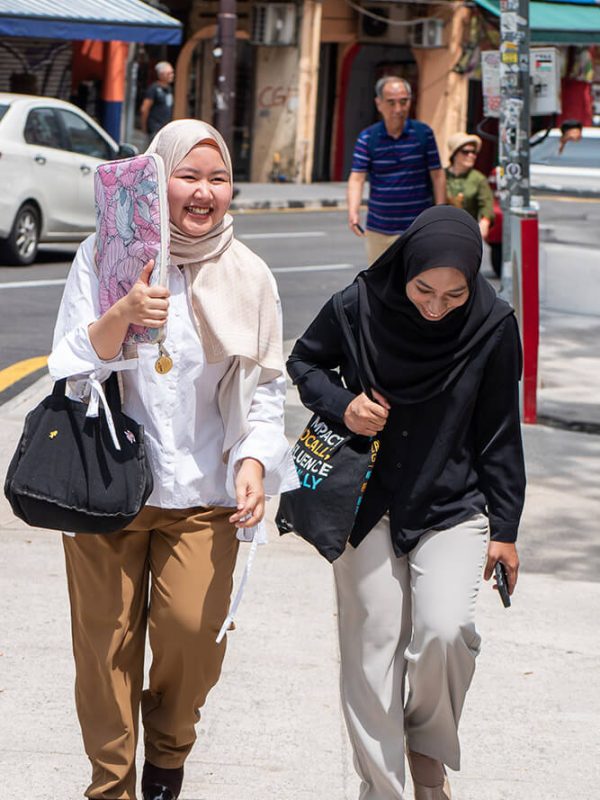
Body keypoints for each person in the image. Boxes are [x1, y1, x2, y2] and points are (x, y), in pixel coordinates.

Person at [48, 120, 297, 800]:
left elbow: (268, 391)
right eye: (190, 176)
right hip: (104, 488)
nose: (204, 193)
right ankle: (110, 785)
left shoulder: (247, 275)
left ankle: (169, 749)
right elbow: (69, 370)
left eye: (218, 179)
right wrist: (121, 312)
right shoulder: (106, 256)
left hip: (204, 494)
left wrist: (254, 460)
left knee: (193, 636)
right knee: (104, 653)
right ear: (157, 177)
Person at [287, 206, 525, 800]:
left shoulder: (493, 326)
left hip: (452, 503)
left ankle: (426, 752)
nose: (436, 306)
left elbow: (499, 429)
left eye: (454, 293)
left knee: (447, 631)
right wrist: (344, 405)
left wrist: (506, 527)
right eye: (424, 289)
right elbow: (304, 362)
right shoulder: (358, 304)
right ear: (406, 269)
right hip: (367, 501)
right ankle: (388, 792)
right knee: (372, 652)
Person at [347, 76, 446, 265]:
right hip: (379, 230)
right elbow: (357, 178)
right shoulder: (368, 138)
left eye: (403, 102)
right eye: (391, 103)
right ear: (379, 104)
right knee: (380, 287)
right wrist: (353, 211)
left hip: (418, 229)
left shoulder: (423, 134)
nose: (398, 109)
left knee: (417, 287)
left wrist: (439, 213)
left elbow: (438, 174)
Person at [445, 132, 494, 242]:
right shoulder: (442, 177)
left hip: (467, 233)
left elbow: (486, 204)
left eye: (474, 152)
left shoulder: (478, 178)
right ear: (454, 154)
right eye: (466, 152)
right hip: (442, 230)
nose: (471, 155)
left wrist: (485, 222)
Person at [140, 61, 175, 141]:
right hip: (155, 129)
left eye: (172, 73)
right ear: (161, 75)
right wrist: (144, 128)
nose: (172, 76)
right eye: (169, 73)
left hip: (165, 129)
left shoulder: (169, 89)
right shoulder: (154, 89)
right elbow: (144, 109)